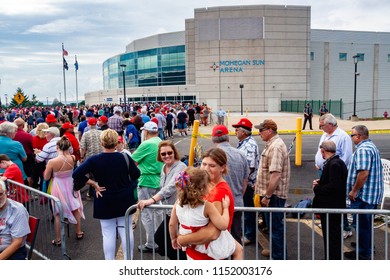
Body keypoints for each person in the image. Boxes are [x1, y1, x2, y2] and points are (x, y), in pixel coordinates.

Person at [72, 129, 140, 260]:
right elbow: (136, 174)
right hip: (124, 198)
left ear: (102, 142)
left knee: (108, 234)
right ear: (116, 142)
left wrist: (93, 183)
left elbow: (76, 174)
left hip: (104, 197)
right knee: (126, 231)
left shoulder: (94, 160)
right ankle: (128, 261)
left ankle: (109, 262)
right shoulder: (124, 157)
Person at [177, 148, 239, 260]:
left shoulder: (219, 192)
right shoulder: (204, 186)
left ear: (223, 167)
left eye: (212, 165)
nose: (206, 169)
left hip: (208, 254)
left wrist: (182, 239)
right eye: (204, 164)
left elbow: (212, 233)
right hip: (197, 250)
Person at [137, 140, 187, 259]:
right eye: (163, 154)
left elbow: (170, 188)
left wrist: (151, 200)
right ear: (159, 155)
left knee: (163, 239)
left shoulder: (181, 167)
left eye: (169, 152)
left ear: (174, 152)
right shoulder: (164, 167)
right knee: (168, 241)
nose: (167, 156)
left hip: (180, 212)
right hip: (170, 211)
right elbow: (162, 186)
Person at [344, 125, 384, 260]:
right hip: (371, 194)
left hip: (364, 196)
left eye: (352, 135)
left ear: (359, 136)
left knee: (361, 224)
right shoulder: (371, 147)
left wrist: (354, 190)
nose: (351, 137)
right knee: (365, 224)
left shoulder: (363, 150)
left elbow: (363, 173)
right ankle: (366, 245)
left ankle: (363, 253)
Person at [254, 119, 290, 260]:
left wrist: (267, 196)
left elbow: (275, 175)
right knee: (273, 228)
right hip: (270, 195)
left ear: (269, 130)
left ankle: (279, 257)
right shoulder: (272, 144)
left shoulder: (275, 146)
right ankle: (276, 252)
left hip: (273, 196)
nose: (259, 133)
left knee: (275, 229)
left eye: (261, 130)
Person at [315, 113, 353, 238]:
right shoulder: (325, 135)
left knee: (337, 200)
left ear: (330, 124)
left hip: (335, 173)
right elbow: (320, 150)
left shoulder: (343, 137)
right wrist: (318, 163)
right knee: (326, 199)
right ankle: (328, 221)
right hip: (324, 170)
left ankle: (345, 228)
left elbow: (346, 157)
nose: (321, 128)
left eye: (322, 126)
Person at [43, 136, 85, 246]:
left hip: (58, 186)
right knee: (75, 207)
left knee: (57, 213)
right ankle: (79, 232)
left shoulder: (52, 161)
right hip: (70, 184)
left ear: (57, 147)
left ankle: (58, 239)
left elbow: (46, 177)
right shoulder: (72, 158)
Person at [211, 124, 249, 242]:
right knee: (236, 237)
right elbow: (245, 180)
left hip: (216, 204)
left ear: (213, 139)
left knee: (217, 239)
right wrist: (238, 195)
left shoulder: (212, 156)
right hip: (236, 201)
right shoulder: (240, 154)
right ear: (228, 138)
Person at [312, 140, 348, 260]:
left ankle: (332, 258)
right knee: (331, 235)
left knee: (332, 235)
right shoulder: (336, 162)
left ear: (323, 151)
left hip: (331, 206)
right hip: (333, 205)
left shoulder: (334, 164)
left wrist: (317, 188)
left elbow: (333, 186)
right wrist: (321, 182)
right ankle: (331, 257)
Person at [131, 121, 163, 252]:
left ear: (146, 132)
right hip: (159, 179)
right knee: (159, 212)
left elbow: (132, 161)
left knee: (146, 213)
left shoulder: (146, 144)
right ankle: (160, 239)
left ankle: (151, 243)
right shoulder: (160, 141)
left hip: (146, 180)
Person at [232, 118, 259, 245]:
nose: (235, 131)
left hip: (247, 184)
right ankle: (248, 232)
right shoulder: (244, 143)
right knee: (246, 209)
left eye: (237, 129)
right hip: (244, 183)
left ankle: (250, 235)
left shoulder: (249, 145)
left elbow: (250, 167)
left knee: (248, 210)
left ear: (243, 132)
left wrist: (242, 181)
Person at [0, 180, 30, 260]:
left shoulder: (17, 210)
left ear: (6, 193)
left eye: (0, 194)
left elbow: (17, 243)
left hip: (13, 251)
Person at [13, 118, 34, 186]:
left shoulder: (11, 136)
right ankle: (28, 190)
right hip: (28, 157)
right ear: (23, 125)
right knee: (28, 175)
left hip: (15, 157)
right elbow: (33, 146)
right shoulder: (28, 136)